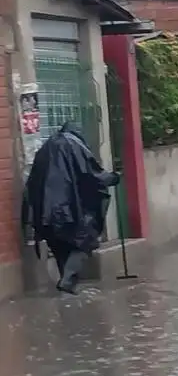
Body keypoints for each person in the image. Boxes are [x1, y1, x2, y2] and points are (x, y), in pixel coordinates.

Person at [22, 122, 121, 294]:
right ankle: (67, 280)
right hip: (65, 209)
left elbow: (31, 182)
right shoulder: (73, 144)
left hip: (43, 211)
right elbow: (91, 173)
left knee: (60, 245)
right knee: (86, 240)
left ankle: (67, 285)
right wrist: (112, 178)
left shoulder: (44, 149)